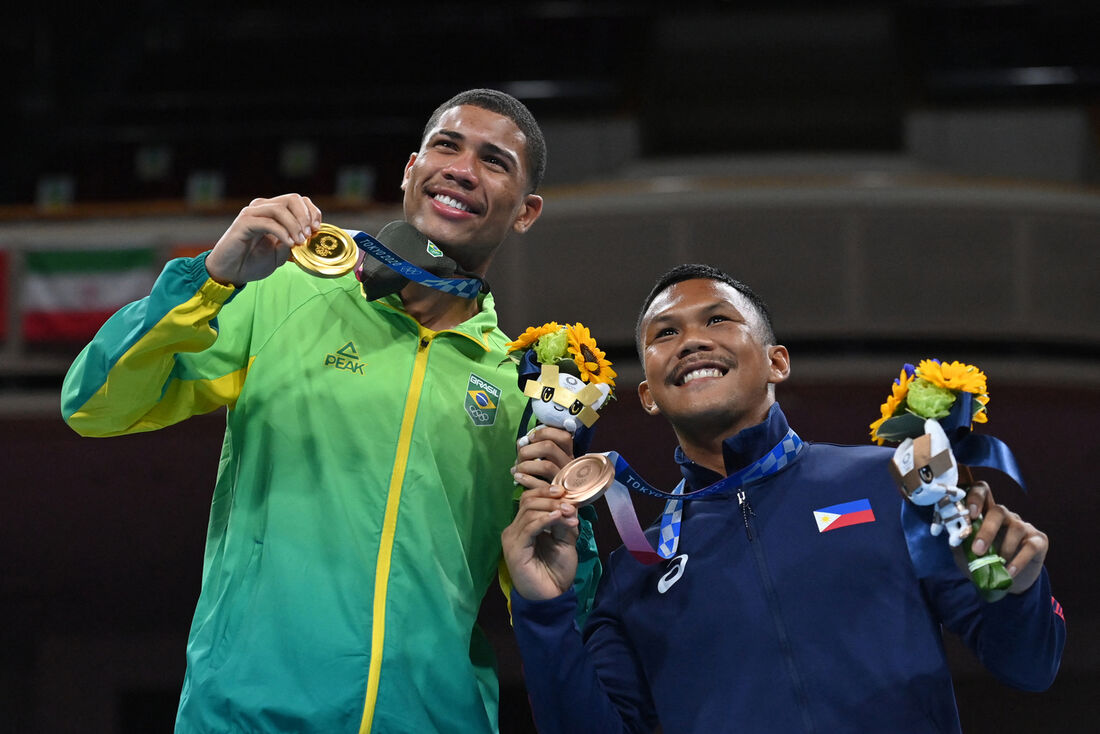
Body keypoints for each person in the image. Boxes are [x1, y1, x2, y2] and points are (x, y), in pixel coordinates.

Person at [61, 89, 598, 734]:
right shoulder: (287, 290)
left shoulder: (519, 388)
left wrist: (572, 520)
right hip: (249, 716)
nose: (461, 168)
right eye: (446, 145)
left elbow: (555, 600)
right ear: (410, 171)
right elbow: (94, 405)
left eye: (494, 161)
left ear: (526, 212)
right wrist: (212, 278)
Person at [503, 263, 1066, 734]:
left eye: (718, 319)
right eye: (664, 334)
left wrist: (1018, 590)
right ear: (648, 395)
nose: (692, 340)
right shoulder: (635, 572)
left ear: (778, 362)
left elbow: (1031, 665)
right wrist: (544, 609)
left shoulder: (893, 482)